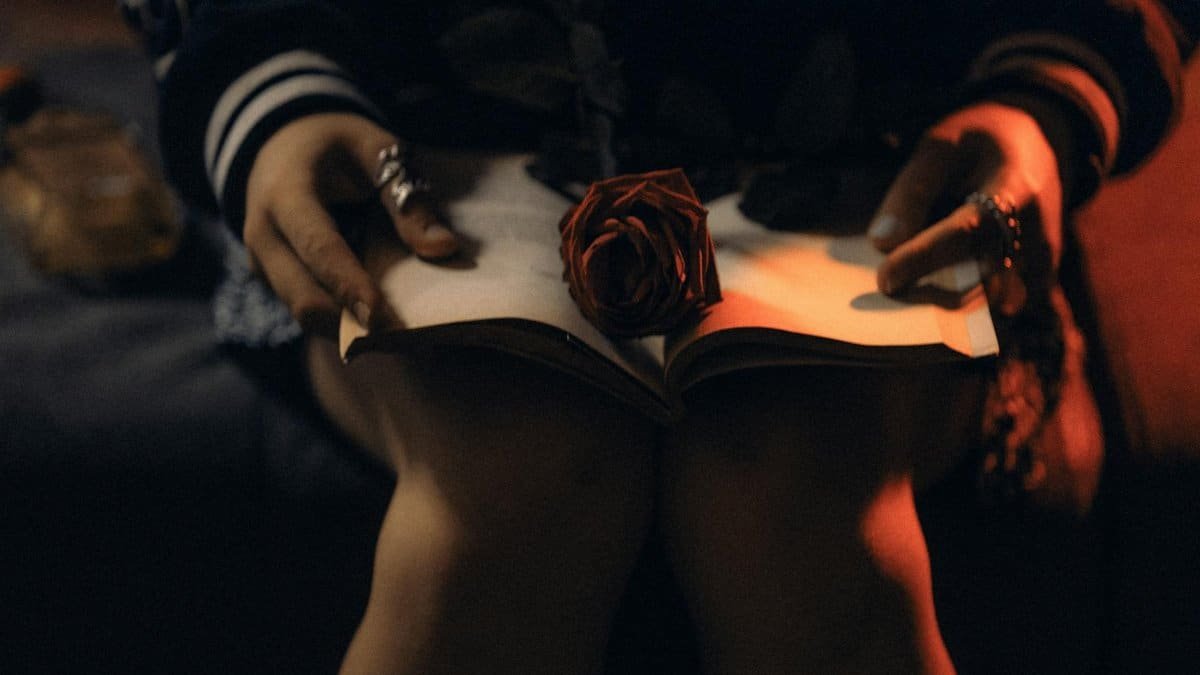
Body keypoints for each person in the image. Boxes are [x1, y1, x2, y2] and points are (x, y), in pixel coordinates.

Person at [122, 1, 1197, 673]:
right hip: (409, 152)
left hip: (884, 172)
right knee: (516, 476)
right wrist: (271, 106)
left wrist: (1041, 104)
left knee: (785, 491)